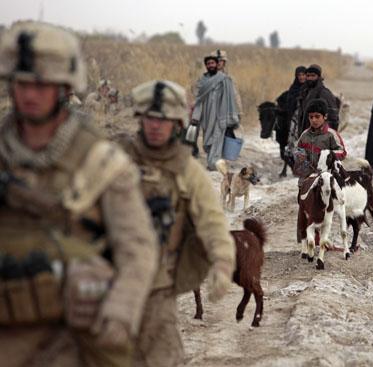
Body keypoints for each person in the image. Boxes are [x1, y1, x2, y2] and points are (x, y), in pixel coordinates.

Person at [0, 21, 158, 366]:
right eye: (22, 83)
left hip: (72, 335)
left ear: (64, 87)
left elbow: (138, 248)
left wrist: (119, 312)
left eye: (41, 84)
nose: (30, 94)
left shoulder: (101, 161)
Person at [119, 80, 236, 367]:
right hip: (108, 280)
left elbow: (212, 220)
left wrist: (222, 261)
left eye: (164, 120)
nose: (156, 126)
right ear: (140, 119)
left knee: (162, 356)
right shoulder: (113, 159)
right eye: (150, 118)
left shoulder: (188, 171)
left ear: (178, 124)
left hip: (158, 283)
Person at [191, 54, 240, 170]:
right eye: (208, 64)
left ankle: (213, 164)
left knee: (217, 138)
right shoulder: (202, 80)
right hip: (207, 115)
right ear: (206, 66)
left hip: (220, 114)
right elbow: (199, 100)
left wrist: (231, 116)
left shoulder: (224, 79)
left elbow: (230, 98)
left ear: (217, 65)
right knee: (207, 142)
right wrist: (196, 116)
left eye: (212, 63)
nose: (210, 65)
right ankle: (212, 160)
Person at [294, 99, 346, 179]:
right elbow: (298, 150)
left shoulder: (331, 135)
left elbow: (342, 152)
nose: (314, 120)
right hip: (307, 177)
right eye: (311, 117)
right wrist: (301, 158)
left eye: (317, 116)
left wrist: (328, 154)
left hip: (327, 177)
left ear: (325, 116)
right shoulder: (304, 135)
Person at [293, 64, 341, 136]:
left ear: (318, 77)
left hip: (319, 137)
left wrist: (326, 137)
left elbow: (332, 118)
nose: (310, 78)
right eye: (308, 76)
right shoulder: (304, 92)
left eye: (313, 76)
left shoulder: (324, 93)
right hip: (305, 135)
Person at [211, 49, 243, 118]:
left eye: (221, 61)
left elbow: (236, 96)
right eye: (216, 61)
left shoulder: (230, 79)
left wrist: (239, 112)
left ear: (224, 62)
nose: (219, 63)